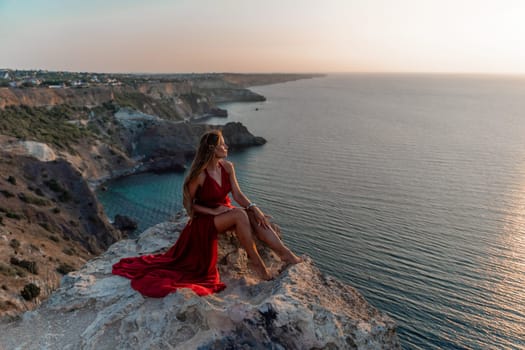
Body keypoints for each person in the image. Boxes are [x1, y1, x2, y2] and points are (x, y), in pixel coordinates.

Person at [112, 130, 302, 297]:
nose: (226, 147)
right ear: (212, 149)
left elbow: (237, 194)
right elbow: (189, 205)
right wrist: (213, 210)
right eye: (222, 144)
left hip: (224, 212)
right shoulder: (200, 175)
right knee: (241, 215)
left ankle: (286, 254)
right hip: (204, 221)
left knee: (254, 216)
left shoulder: (228, 167)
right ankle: (259, 266)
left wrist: (254, 207)